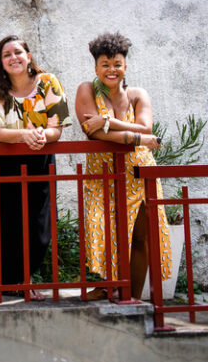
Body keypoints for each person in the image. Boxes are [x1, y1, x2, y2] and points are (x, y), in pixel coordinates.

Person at [0, 35, 71, 300]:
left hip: (38, 158)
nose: (13, 58)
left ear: (28, 56)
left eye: (18, 52)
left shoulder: (49, 83)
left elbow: (56, 128)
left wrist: (41, 136)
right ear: (1, 63)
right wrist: (23, 136)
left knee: (36, 225)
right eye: (7, 55)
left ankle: (22, 279)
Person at [75, 32, 171, 300]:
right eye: (105, 64)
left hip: (138, 172)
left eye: (117, 63)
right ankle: (109, 286)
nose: (111, 69)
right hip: (102, 174)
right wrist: (139, 138)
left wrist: (109, 122)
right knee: (105, 230)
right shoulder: (87, 90)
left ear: (125, 66)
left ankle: (133, 297)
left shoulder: (138, 94)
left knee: (140, 238)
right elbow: (92, 132)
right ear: (96, 68)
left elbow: (147, 125)